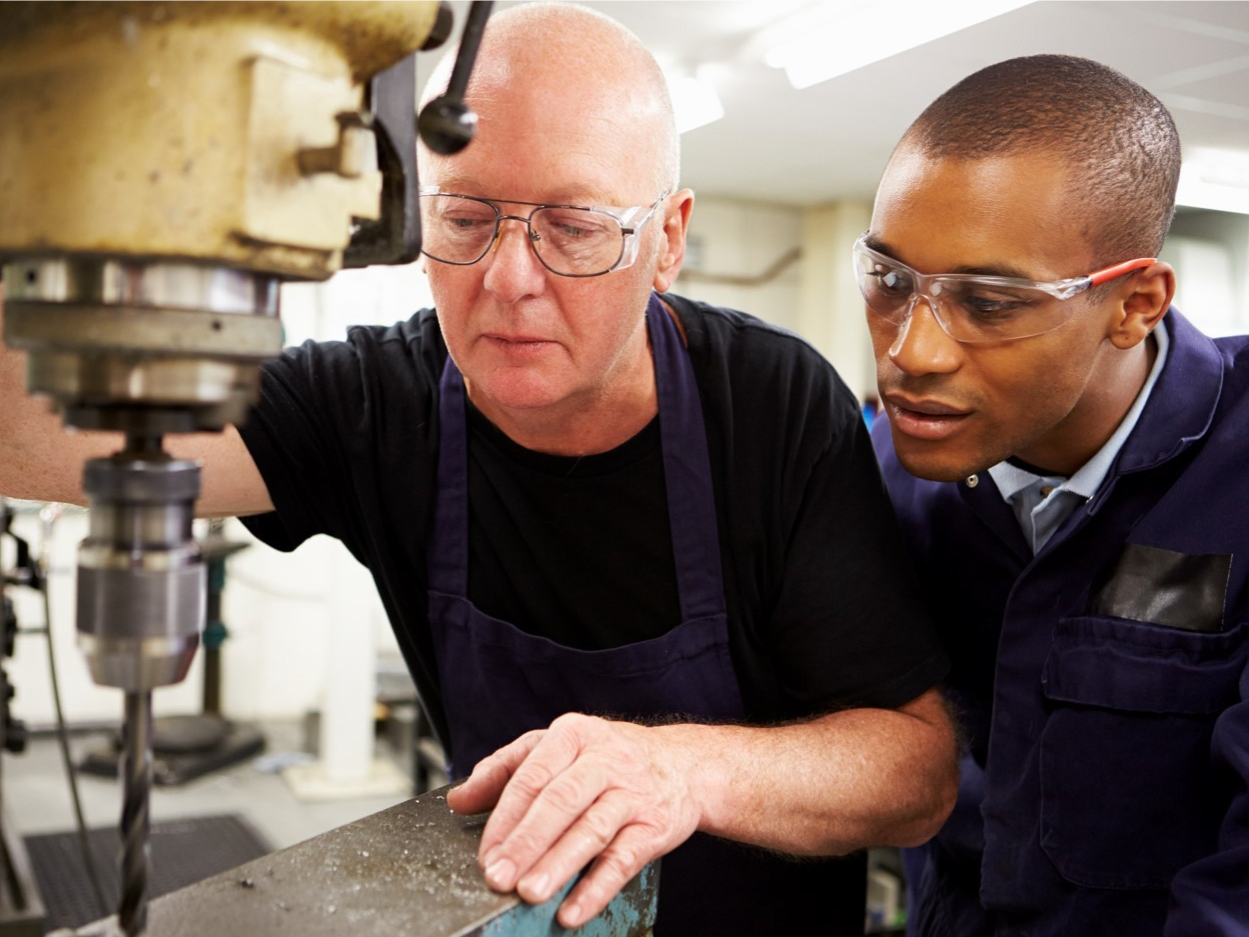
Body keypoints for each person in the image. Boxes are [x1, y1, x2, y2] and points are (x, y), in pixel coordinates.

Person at [0, 3, 958, 932]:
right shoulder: (375, 402)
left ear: (666, 238)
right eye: (464, 220)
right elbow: (34, 434)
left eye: (573, 226)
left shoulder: (771, 403)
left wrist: (682, 770)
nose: (507, 279)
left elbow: (913, 774)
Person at [865, 54, 1249, 936]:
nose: (911, 351)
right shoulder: (898, 470)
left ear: (1133, 304)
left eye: (990, 302)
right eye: (890, 282)